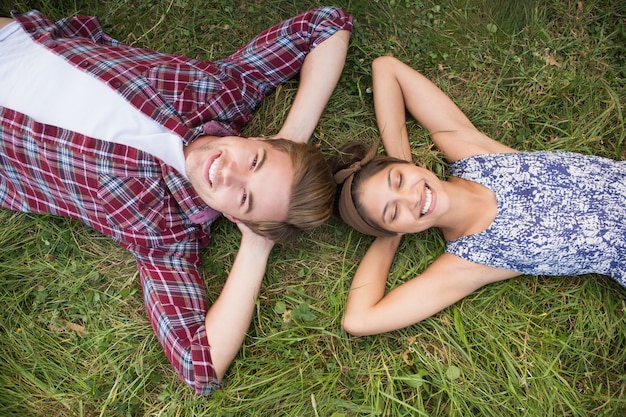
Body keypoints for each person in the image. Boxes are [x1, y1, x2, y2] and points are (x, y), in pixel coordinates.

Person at [0, 7, 352, 394]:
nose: (228, 172)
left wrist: (256, 246)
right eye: (256, 161)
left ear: (237, 218)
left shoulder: (165, 235)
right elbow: (326, 25)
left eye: (245, 198)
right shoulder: (224, 90)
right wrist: (296, 134)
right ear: (262, 140)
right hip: (17, 41)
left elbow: (200, 367)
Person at [332, 56, 625, 337]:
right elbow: (359, 319)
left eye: (398, 180)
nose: (410, 198)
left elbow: (387, 69)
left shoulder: (476, 156)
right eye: (393, 212)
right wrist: (390, 234)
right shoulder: (470, 261)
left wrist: (401, 160)